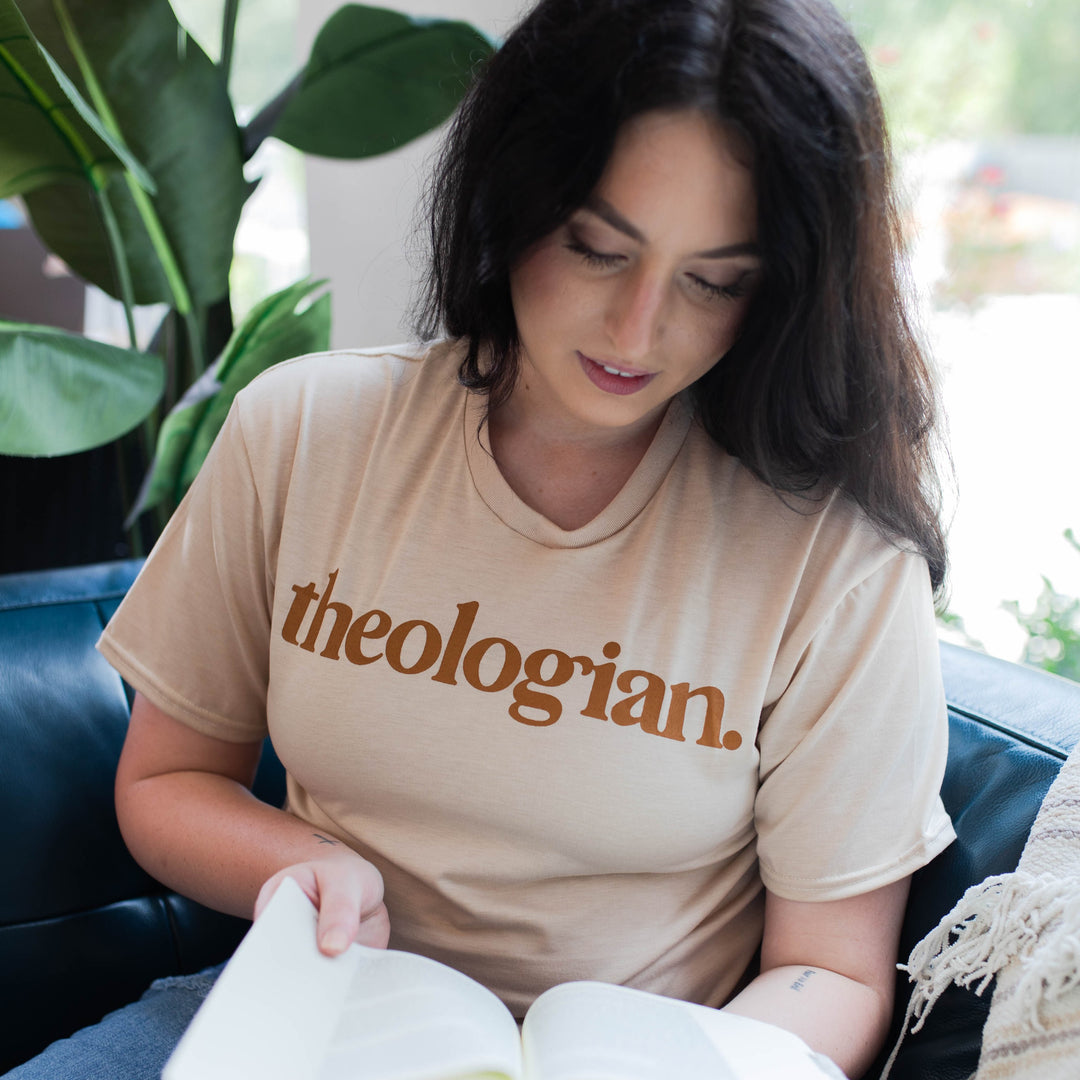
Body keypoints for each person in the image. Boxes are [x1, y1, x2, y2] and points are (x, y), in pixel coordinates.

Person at [6, 0, 956, 1077]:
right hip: (292, 1023)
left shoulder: (835, 558)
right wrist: (297, 862)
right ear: (515, 195)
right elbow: (167, 781)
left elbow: (833, 972)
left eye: (714, 281)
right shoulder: (304, 429)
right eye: (599, 248)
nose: (639, 331)